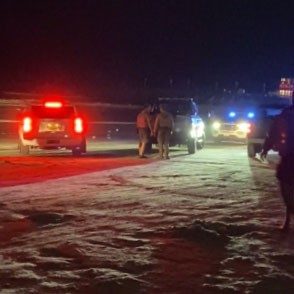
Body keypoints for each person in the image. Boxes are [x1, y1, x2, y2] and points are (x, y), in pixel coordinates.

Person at [260, 95, 294, 231]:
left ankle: (288, 219)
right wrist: (266, 148)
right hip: (288, 157)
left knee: (286, 187)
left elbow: (273, 132)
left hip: (288, 157)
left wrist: (266, 148)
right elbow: (273, 132)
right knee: (285, 187)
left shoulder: (285, 114)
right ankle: (288, 218)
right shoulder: (285, 115)